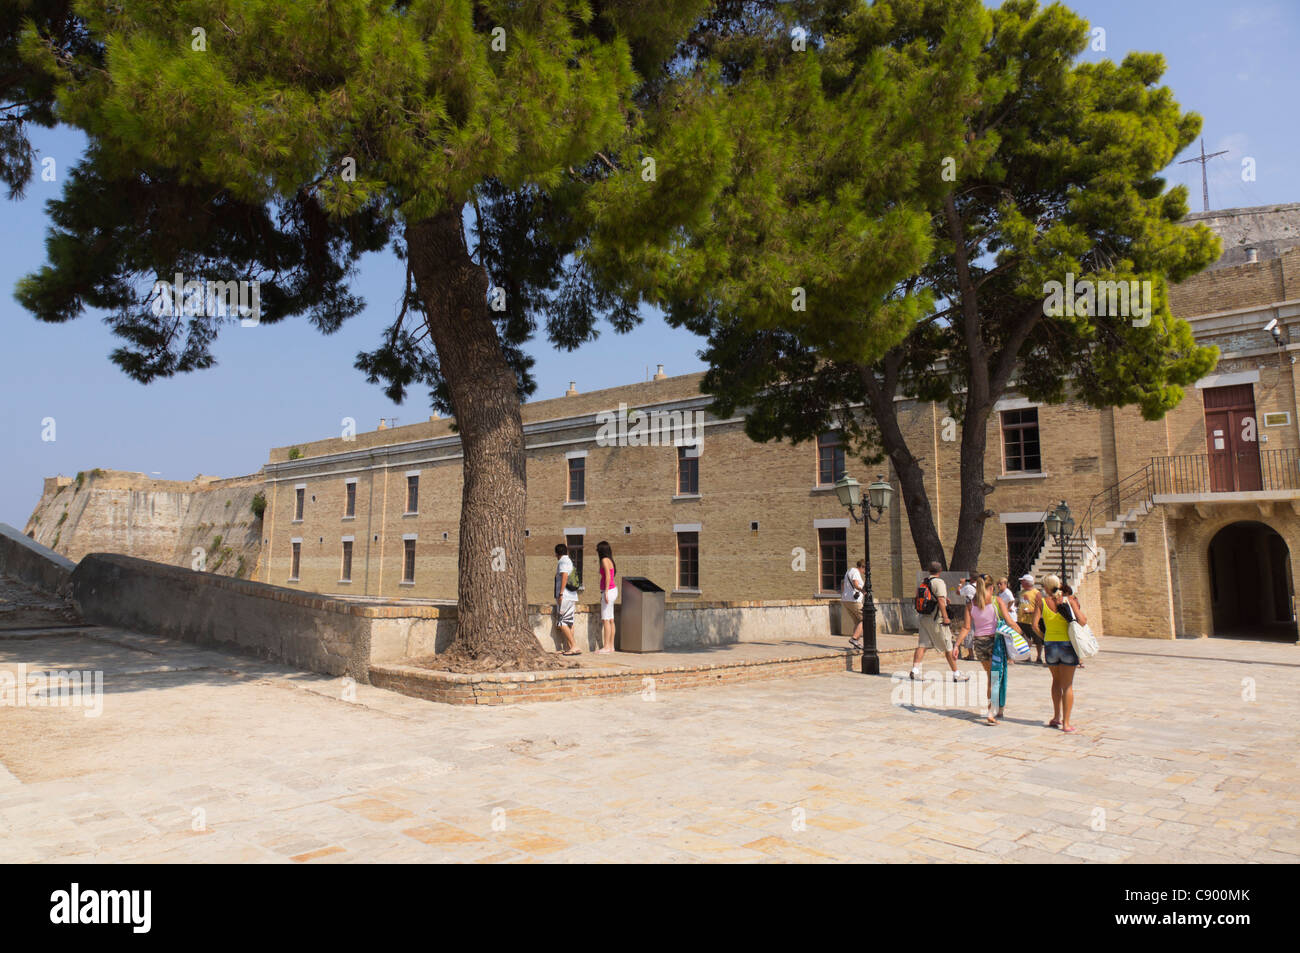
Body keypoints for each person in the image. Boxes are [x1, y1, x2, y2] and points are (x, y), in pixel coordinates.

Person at [1040, 574, 1085, 732]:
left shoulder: (1043, 602)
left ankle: (1056, 716)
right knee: (1067, 685)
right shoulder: (1068, 600)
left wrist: (1044, 637)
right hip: (1067, 644)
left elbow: (1034, 625)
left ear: (1046, 587)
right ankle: (1066, 723)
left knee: (1055, 682)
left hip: (1050, 644)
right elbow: (1083, 621)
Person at [911, 561, 969, 682]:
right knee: (948, 646)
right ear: (940, 570)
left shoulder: (924, 582)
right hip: (936, 619)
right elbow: (941, 601)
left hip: (924, 617)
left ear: (929, 570)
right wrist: (946, 617)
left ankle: (915, 670)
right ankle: (956, 674)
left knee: (922, 645)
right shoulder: (939, 582)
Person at [554, 543, 581, 655]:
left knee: (562, 622)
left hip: (565, 596)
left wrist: (560, 594)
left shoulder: (562, 562)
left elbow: (564, 576)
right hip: (571, 596)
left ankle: (574, 646)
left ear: (557, 553)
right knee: (569, 622)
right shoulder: (569, 560)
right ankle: (569, 647)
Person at [1016, 574, 1044, 664]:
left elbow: (1040, 607)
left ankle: (1039, 657)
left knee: (1037, 640)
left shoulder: (1036, 593)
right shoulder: (1021, 592)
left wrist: (1031, 611)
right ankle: (1027, 656)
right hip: (1022, 620)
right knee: (1025, 639)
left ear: (1027, 582)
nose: (1021, 582)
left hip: (1032, 620)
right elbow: (1019, 603)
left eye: (1023, 581)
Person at [596, 540, 617, 654]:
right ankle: (611, 646)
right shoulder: (610, 560)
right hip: (613, 590)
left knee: (606, 619)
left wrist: (606, 592)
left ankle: (606, 647)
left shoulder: (604, 560)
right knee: (611, 619)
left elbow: (608, 576)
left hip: (608, 590)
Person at [841, 559, 866, 650]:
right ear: (862, 567)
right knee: (866, 619)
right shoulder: (855, 572)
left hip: (846, 600)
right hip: (853, 601)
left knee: (857, 621)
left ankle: (856, 644)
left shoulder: (849, 571)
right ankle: (854, 639)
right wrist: (862, 590)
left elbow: (843, 584)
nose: (865, 572)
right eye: (865, 569)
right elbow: (855, 584)